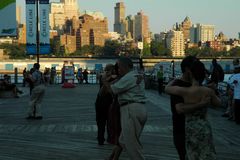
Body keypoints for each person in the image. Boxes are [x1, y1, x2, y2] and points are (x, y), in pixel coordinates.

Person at [165, 59, 221, 160]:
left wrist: (173, 80)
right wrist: (209, 93)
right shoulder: (207, 91)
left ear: (190, 73)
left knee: (191, 155)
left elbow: (167, 89)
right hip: (204, 126)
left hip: (189, 128)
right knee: (206, 154)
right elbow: (218, 103)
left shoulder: (184, 91)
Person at [103, 57, 147, 160]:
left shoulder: (129, 77)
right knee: (123, 140)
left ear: (123, 66)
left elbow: (113, 90)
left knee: (131, 145)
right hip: (138, 108)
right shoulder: (135, 75)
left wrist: (104, 81)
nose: (117, 69)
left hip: (130, 109)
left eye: (118, 66)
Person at [95, 64, 116, 145]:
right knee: (109, 121)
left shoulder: (102, 76)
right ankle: (110, 138)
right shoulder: (112, 78)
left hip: (100, 101)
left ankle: (100, 138)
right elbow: (109, 91)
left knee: (100, 121)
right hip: (108, 101)